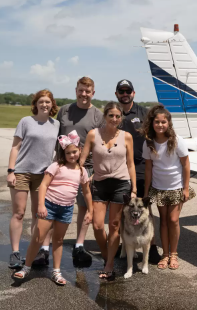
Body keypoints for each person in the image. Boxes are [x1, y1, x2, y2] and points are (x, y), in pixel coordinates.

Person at [33, 77, 103, 266]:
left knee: (82, 206)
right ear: (76, 90)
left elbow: (100, 143)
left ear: (93, 93)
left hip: (85, 168)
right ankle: (44, 249)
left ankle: (79, 245)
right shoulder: (64, 110)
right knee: (52, 205)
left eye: (88, 91)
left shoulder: (98, 115)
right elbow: (51, 134)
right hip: (61, 166)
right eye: (81, 90)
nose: (84, 94)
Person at [13, 131, 93, 285]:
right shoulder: (56, 165)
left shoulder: (82, 171)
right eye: (68, 153)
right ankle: (26, 268)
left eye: (74, 152)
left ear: (80, 150)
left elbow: (87, 192)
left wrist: (90, 210)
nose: (71, 155)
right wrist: (41, 205)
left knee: (59, 240)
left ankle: (56, 271)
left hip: (66, 209)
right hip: (49, 206)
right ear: (64, 153)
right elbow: (43, 185)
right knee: (38, 238)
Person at [80, 102, 137, 280]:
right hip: (100, 183)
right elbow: (81, 160)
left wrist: (134, 188)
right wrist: (73, 174)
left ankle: (109, 264)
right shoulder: (93, 134)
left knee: (114, 225)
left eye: (117, 116)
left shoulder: (127, 136)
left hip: (121, 184)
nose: (114, 119)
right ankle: (107, 255)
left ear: (121, 118)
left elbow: (130, 164)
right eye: (111, 115)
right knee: (97, 225)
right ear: (105, 116)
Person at [7, 89, 60, 268]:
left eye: (47, 101)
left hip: (43, 175)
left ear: (52, 104)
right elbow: (15, 147)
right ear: (35, 104)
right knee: (19, 213)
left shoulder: (56, 124)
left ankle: (34, 251)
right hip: (22, 172)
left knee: (39, 214)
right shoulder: (26, 122)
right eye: (41, 102)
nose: (44, 104)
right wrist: (10, 171)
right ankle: (15, 253)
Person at [141, 105, 196, 270]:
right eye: (157, 122)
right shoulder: (149, 143)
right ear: (152, 123)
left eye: (163, 122)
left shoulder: (177, 140)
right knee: (163, 221)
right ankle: (165, 255)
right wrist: (146, 192)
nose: (160, 125)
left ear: (168, 123)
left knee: (173, 220)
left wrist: (186, 188)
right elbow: (149, 168)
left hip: (176, 187)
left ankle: (174, 254)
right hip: (158, 188)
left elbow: (186, 164)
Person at [114, 79, 160, 264]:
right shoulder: (113, 114)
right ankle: (123, 245)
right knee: (121, 210)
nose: (125, 94)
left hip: (140, 168)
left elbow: (157, 134)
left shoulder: (144, 113)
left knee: (145, 209)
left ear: (133, 93)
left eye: (128, 91)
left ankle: (153, 245)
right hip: (118, 169)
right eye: (121, 91)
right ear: (116, 93)